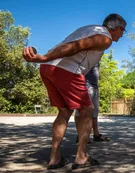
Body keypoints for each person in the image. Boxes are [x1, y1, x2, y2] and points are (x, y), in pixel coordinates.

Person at [22, 13, 126, 170]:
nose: (123, 34)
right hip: (66, 70)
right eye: (123, 31)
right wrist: (44, 57)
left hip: (48, 69)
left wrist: (46, 59)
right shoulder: (105, 38)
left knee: (64, 112)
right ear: (118, 28)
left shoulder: (89, 28)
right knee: (87, 110)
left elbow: (71, 43)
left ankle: (54, 158)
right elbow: (77, 46)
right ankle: (81, 157)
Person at [75, 63, 110, 143]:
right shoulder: (86, 54)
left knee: (94, 112)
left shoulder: (96, 57)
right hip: (85, 86)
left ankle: (96, 135)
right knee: (81, 111)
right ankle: (81, 135)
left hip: (94, 87)